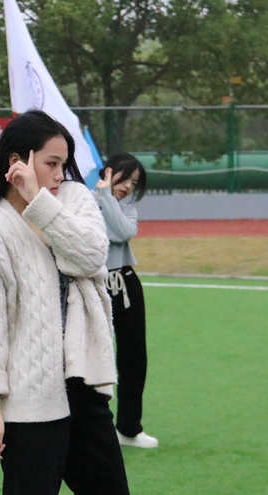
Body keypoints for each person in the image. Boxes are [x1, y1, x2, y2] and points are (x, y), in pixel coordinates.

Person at [0, 110, 132, 495]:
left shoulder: (72, 198)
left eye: (63, 164)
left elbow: (91, 255)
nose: (59, 174)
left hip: (84, 387)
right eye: (51, 163)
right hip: (28, 399)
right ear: (17, 161)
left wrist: (38, 199)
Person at [94, 153, 158, 449]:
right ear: (109, 172)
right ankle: (91, 426)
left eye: (135, 182)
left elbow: (122, 232)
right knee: (92, 355)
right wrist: (104, 199)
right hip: (94, 283)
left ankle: (129, 429)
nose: (129, 187)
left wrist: (107, 198)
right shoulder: (85, 201)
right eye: (126, 178)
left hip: (126, 283)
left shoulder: (128, 208)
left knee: (134, 357)